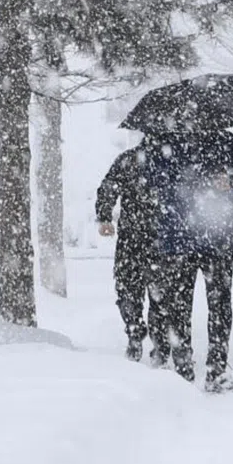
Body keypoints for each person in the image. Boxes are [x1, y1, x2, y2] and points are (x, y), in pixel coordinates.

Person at [149, 130, 233, 392]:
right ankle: (183, 369)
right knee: (178, 306)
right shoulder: (167, 143)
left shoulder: (227, 141)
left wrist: (230, 183)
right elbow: (153, 183)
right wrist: (183, 186)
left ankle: (217, 369)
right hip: (178, 238)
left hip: (217, 238)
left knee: (219, 304)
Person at [96, 134, 170, 364]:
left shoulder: (128, 160)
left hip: (132, 238)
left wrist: (105, 216)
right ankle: (159, 344)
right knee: (161, 296)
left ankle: (135, 332)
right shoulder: (172, 162)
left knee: (129, 290)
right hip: (162, 239)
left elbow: (108, 188)